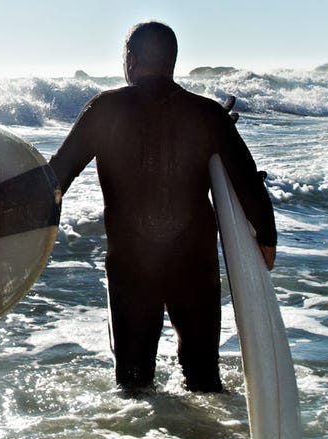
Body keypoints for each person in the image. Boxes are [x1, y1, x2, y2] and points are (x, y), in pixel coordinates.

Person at [48, 21, 277, 393]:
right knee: (204, 378)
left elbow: (56, 179)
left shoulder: (105, 109)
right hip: (194, 263)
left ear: (131, 60)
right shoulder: (207, 115)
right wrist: (266, 236)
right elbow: (246, 181)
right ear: (172, 61)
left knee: (134, 385)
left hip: (132, 265)